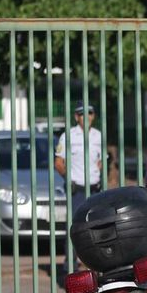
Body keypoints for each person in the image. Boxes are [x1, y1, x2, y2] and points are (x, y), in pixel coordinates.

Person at [55, 101, 103, 273]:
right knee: (75, 229)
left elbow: (101, 160)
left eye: (90, 113)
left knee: (97, 229)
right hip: (77, 190)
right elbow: (59, 162)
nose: (87, 117)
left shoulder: (98, 135)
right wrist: (70, 179)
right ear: (77, 117)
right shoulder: (68, 136)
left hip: (95, 189)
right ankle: (71, 268)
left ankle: (97, 268)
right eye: (82, 114)